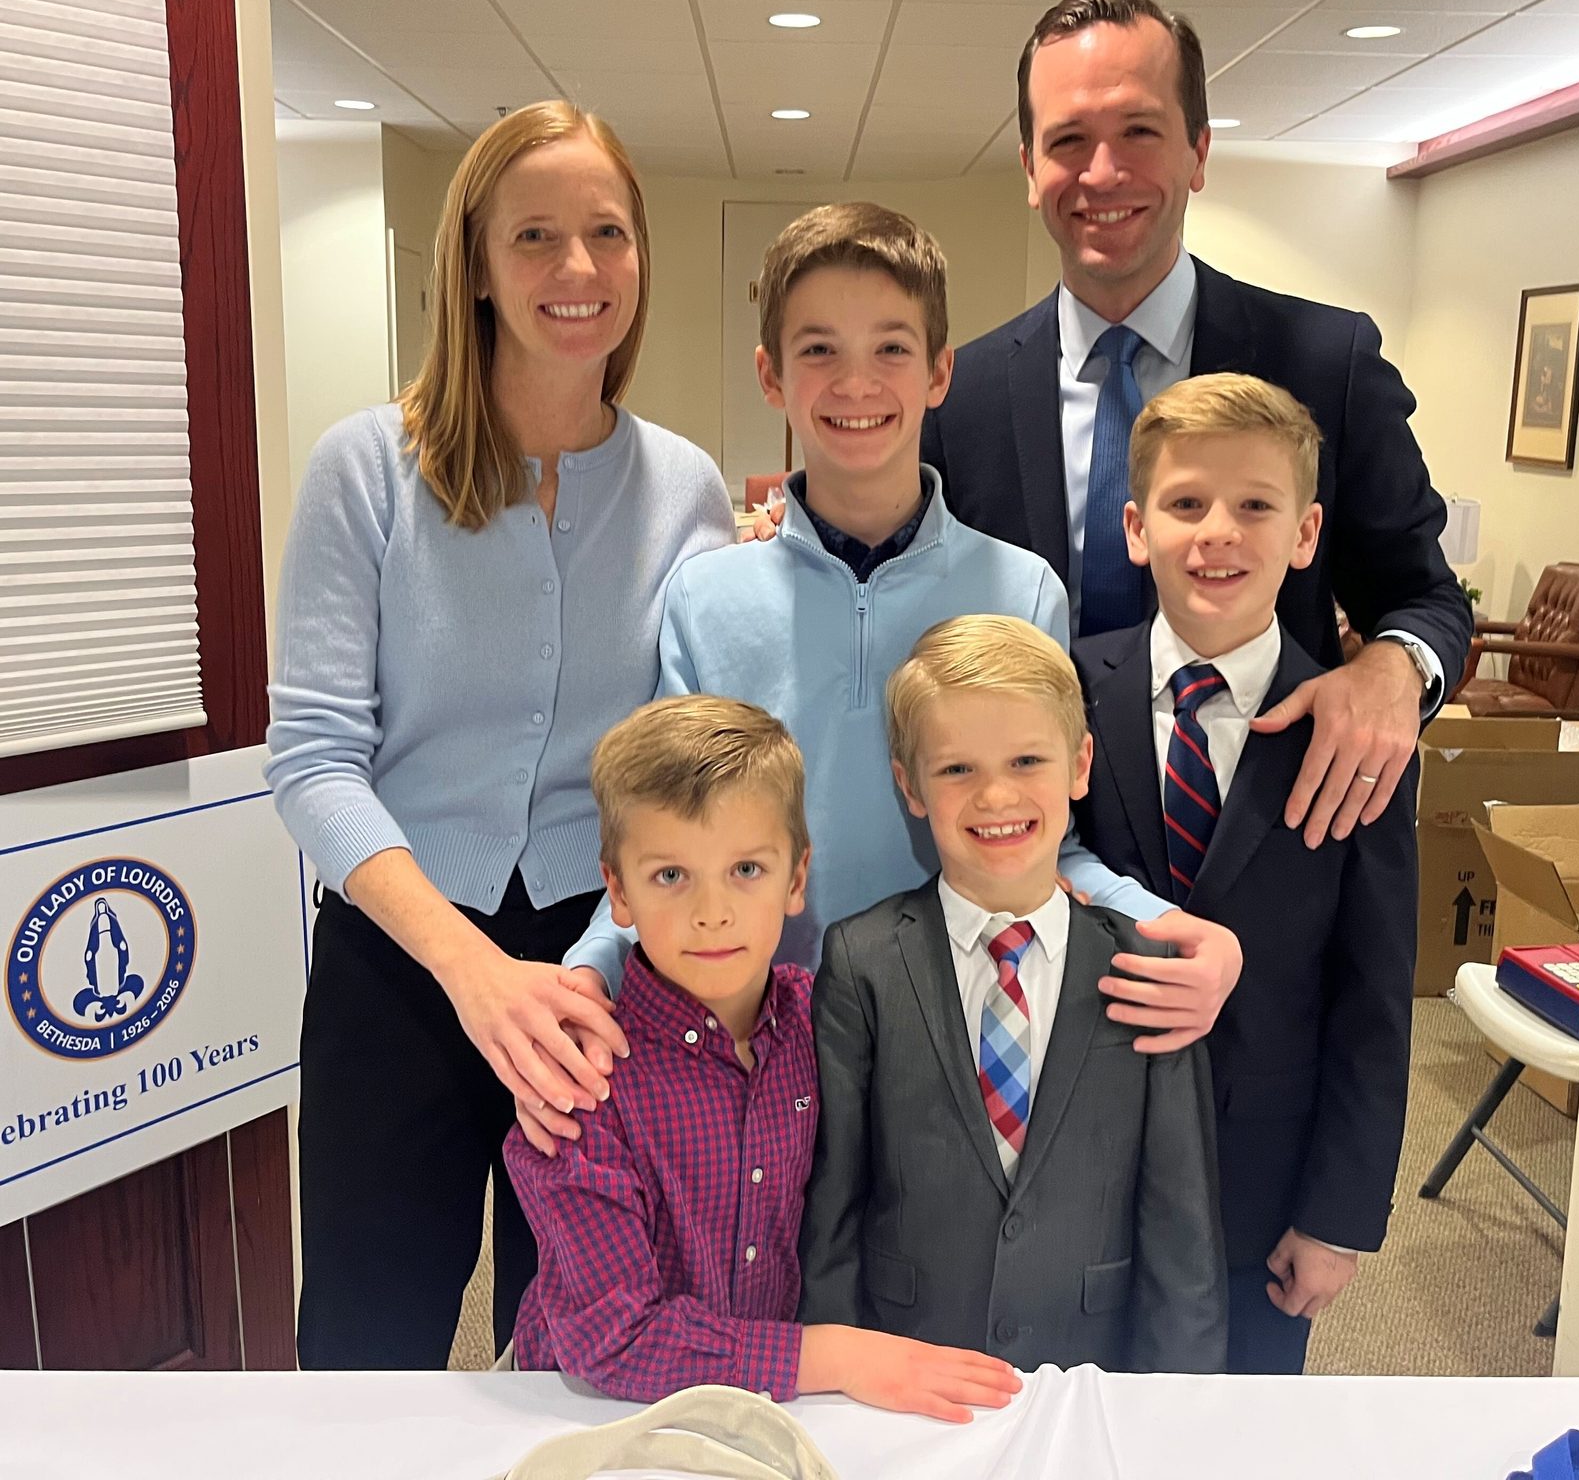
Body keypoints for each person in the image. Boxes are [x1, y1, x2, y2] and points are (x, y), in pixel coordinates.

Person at [543, 203, 1242, 1158]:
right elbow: (671, 839)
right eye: (819, 350)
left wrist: (1168, 924)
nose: (857, 382)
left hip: (954, 1040)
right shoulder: (707, 599)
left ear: (941, 371)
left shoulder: (1017, 589)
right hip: (759, 1042)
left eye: (892, 349)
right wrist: (590, 965)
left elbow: (1044, 842)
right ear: (770, 375)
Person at [264, 103, 734, 1369]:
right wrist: (469, 970)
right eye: (534, 235)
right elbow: (311, 755)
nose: (577, 271)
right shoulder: (367, 468)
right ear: (472, 261)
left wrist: (601, 954)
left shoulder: (684, 484)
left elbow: (687, 753)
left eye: (606, 234)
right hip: (400, 960)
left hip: (595, 972)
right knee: (369, 1336)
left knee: (583, 1341)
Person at [923, 0, 1472, 851]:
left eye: (1139, 131)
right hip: (1026, 861)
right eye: (1067, 141)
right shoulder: (959, 396)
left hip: (1261, 853)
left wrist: (1394, 668)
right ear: (1030, 168)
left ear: (1199, 150)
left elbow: (1422, 594)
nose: (1102, 173)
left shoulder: (1331, 365)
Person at [504, 694, 1022, 1420]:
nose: (711, 911)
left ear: (797, 878)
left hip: (788, 1411)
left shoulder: (832, 1022)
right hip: (593, 1414)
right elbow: (613, 1340)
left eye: (746, 869)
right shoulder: (580, 1084)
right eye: (670, 876)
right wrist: (836, 1355)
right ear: (616, 890)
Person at [1070, 374, 1418, 1374]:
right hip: (1083, 1168)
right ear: (1136, 527)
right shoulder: (1068, 692)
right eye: (1185, 504)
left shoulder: (1362, 734)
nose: (1216, 531)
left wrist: (1338, 1213)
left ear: (1305, 533)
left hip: (1262, 1191)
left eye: (1254, 505)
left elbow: (1373, 993)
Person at [800, 615, 1228, 1373]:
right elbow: (834, 1205)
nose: (995, 795)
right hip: (906, 1365)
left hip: (1087, 1367)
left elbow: (1181, 1229)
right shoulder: (860, 960)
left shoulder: (1147, 967)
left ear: (1079, 764)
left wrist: (1177, 1412)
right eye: (957, 769)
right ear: (911, 786)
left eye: (1028, 759)